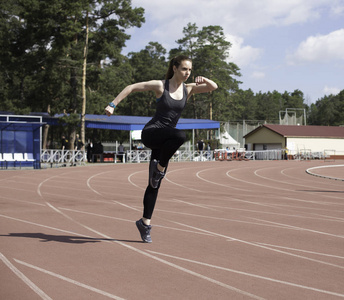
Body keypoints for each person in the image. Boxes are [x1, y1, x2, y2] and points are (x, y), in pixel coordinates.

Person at [105, 55, 218, 243]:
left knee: (154, 185)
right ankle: (160, 169)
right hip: (151, 133)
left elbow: (213, 87)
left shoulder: (188, 89)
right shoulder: (160, 86)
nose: (187, 73)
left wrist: (204, 79)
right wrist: (112, 104)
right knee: (180, 135)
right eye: (184, 69)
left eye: (190, 70)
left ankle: (145, 222)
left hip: (165, 141)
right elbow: (131, 87)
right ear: (174, 68)